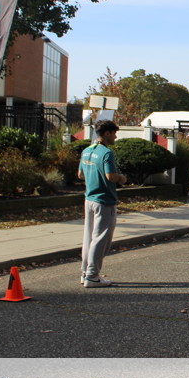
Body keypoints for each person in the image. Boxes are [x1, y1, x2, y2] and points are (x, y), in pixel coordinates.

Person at [77, 119, 127, 288]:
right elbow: (110, 176)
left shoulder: (86, 151)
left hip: (89, 199)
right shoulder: (107, 153)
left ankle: (85, 272)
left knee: (88, 238)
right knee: (100, 239)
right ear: (107, 133)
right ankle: (92, 276)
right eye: (114, 133)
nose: (115, 137)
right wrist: (122, 178)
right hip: (104, 201)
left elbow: (80, 175)